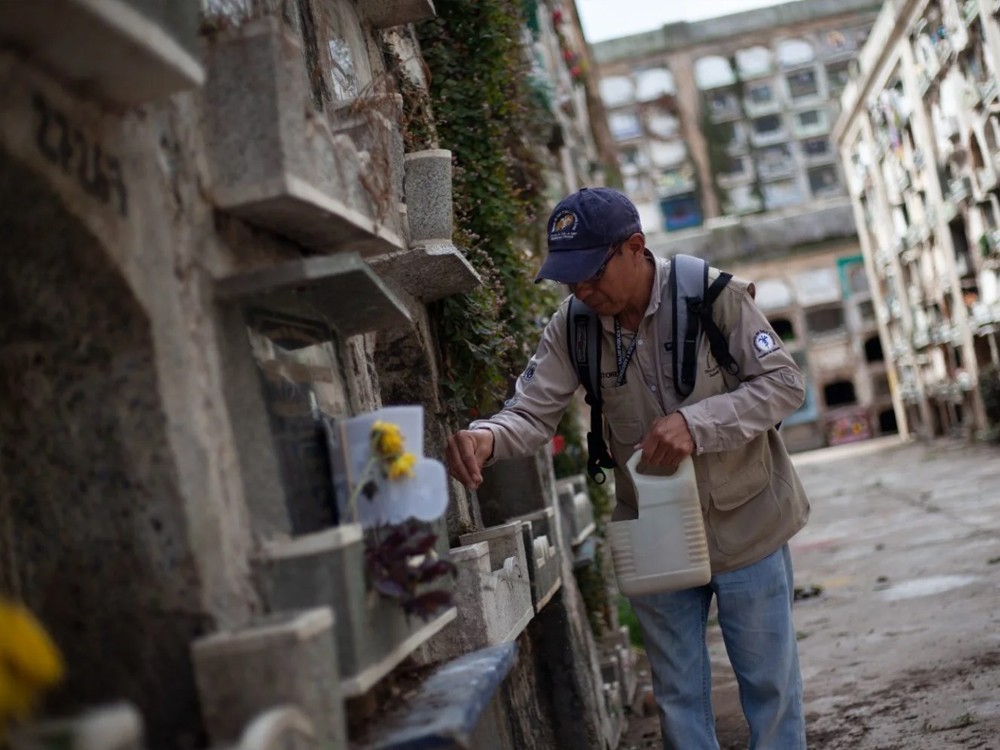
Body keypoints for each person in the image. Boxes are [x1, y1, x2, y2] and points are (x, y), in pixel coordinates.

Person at [446, 186, 811, 750]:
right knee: (678, 700)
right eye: (570, 280)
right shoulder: (573, 327)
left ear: (634, 247)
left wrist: (697, 424)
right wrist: (485, 438)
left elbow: (785, 384)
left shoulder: (714, 296)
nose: (582, 291)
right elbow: (531, 412)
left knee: (771, 690)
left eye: (591, 274)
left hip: (750, 524)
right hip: (654, 534)